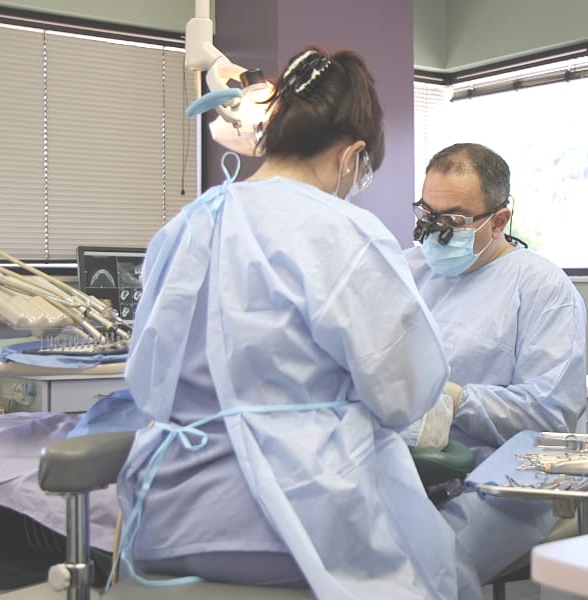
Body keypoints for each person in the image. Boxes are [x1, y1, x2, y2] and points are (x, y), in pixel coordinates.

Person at [106, 48, 483, 599]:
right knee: (436, 568)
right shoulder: (345, 232)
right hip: (299, 522)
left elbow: (146, 378)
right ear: (353, 155)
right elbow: (405, 394)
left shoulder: (184, 226)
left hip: (168, 518)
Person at [403, 142, 588, 583]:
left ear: (499, 220)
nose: (433, 233)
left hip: (503, 477)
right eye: (427, 216)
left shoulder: (542, 287)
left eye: (453, 221)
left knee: (423, 576)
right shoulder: (407, 269)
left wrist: (456, 400)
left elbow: (552, 414)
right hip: (410, 461)